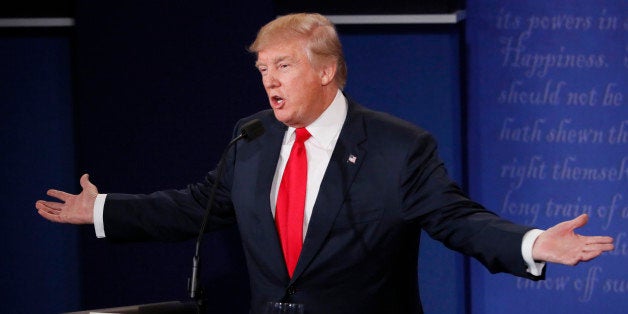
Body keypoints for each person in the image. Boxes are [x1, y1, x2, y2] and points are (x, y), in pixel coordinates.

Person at [36, 13, 614, 314]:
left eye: (282, 66)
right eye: (262, 68)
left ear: (326, 70)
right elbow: (198, 206)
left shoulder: (397, 145)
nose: (268, 80)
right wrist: (104, 210)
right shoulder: (254, 137)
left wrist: (532, 243)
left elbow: (455, 218)